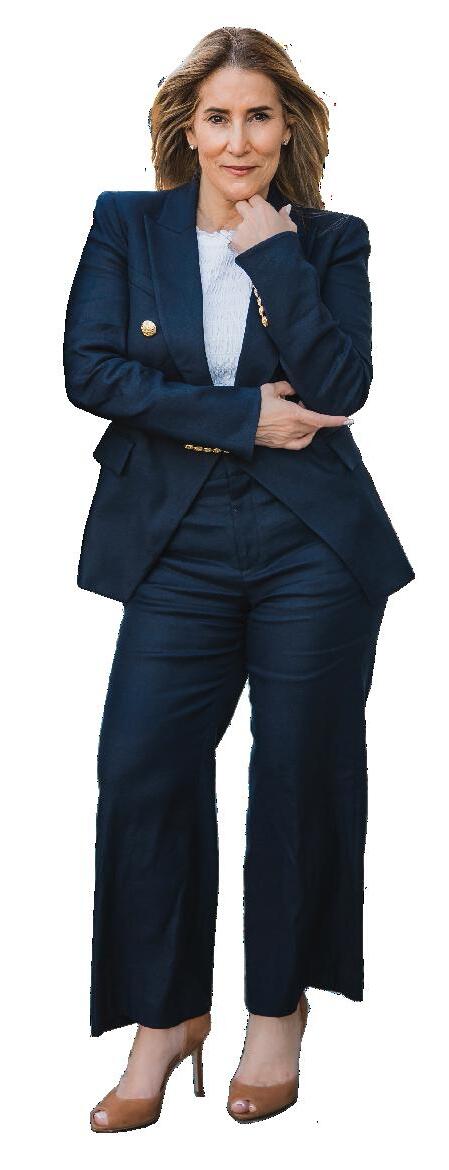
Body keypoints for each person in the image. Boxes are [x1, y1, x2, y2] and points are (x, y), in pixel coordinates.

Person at [63, 26, 416, 1131]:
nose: (237, 139)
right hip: (175, 538)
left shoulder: (330, 239)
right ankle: (165, 1020)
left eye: (258, 115)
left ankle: (276, 1011)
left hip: (313, 541)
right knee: (143, 771)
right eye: (216, 117)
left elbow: (340, 385)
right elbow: (90, 370)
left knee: (299, 774)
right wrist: (238, 418)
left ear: (287, 125)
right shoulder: (128, 223)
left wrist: (273, 256)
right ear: (186, 127)